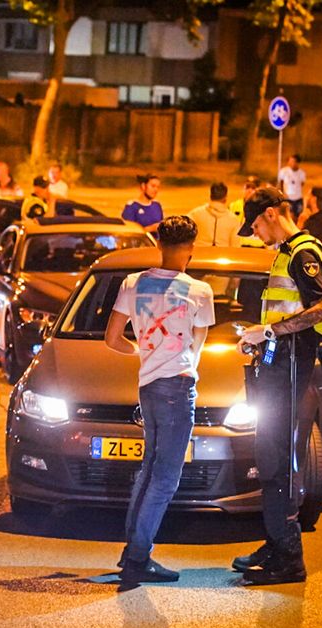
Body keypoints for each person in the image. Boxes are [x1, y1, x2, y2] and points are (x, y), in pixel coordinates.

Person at [103, 215, 216, 584]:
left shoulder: (133, 283)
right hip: (178, 386)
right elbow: (198, 342)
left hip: (148, 385)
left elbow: (112, 339)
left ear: (159, 245)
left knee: (149, 470)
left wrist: (143, 351)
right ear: (191, 249)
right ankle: (138, 557)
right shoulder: (199, 290)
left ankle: (132, 550)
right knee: (165, 478)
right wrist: (179, 359)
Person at [232, 186, 322, 586]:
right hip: (280, 367)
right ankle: (276, 543)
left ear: (273, 214)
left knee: (276, 462)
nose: (255, 232)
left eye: (256, 224)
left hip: (292, 369)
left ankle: (289, 558)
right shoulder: (288, 252)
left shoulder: (303, 254)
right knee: (269, 457)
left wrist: (269, 331)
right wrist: (260, 337)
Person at [188, 181, 238, 248]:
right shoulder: (233, 219)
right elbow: (235, 246)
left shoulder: (195, 214)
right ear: (225, 198)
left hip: (199, 255)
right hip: (224, 256)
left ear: (210, 195)